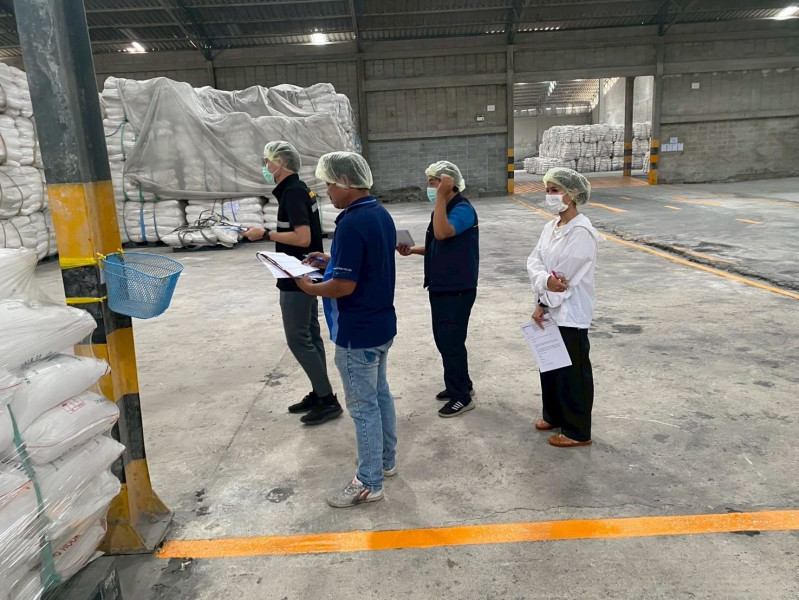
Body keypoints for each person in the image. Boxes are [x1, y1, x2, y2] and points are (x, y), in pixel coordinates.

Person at [296, 151, 398, 507]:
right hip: (381, 325)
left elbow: (343, 286)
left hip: (358, 332)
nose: (327, 191)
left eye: (329, 184)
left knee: (363, 407)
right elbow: (367, 263)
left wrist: (310, 288)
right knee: (380, 395)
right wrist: (333, 261)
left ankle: (369, 483)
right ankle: (385, 461)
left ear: (345, 182)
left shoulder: (351, 223)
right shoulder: (378, 213)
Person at [243, 141, 342, 426]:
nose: (265, 167)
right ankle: (320, 391)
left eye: (267, 161)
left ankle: (327, 400)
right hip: (303, 271)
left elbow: (302, 237)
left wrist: (265, 234)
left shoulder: (293, 193)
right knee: (310, 335)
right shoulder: (299, 189)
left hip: (296, 274)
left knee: (298, 338)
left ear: (280, 163)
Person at [397, 161, 479, 418]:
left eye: (434, 183)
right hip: (442, 285)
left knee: (451, 342)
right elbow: (438, 243)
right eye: (430, 183)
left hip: (457, 288)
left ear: (448, 184)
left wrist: (441, 197)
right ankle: (460, 384)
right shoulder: (444, 208)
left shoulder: (463, 209)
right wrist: (413, 250)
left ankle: (462, 397)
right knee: (444, 340)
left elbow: (443, 233)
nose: (430, 188)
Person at [526, 167, 601, 448]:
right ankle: (554, 415)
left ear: (573, 193)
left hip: (571, 312)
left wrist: (545, 295)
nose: (550, 195)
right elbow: (534, 262)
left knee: (573, 373)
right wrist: (543, 288)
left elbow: (565, 279)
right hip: (549, 307)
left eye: (555, 190)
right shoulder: (551, 227)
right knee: (551, 366)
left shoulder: (582, 232)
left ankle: (577, 431)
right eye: (547, 190)